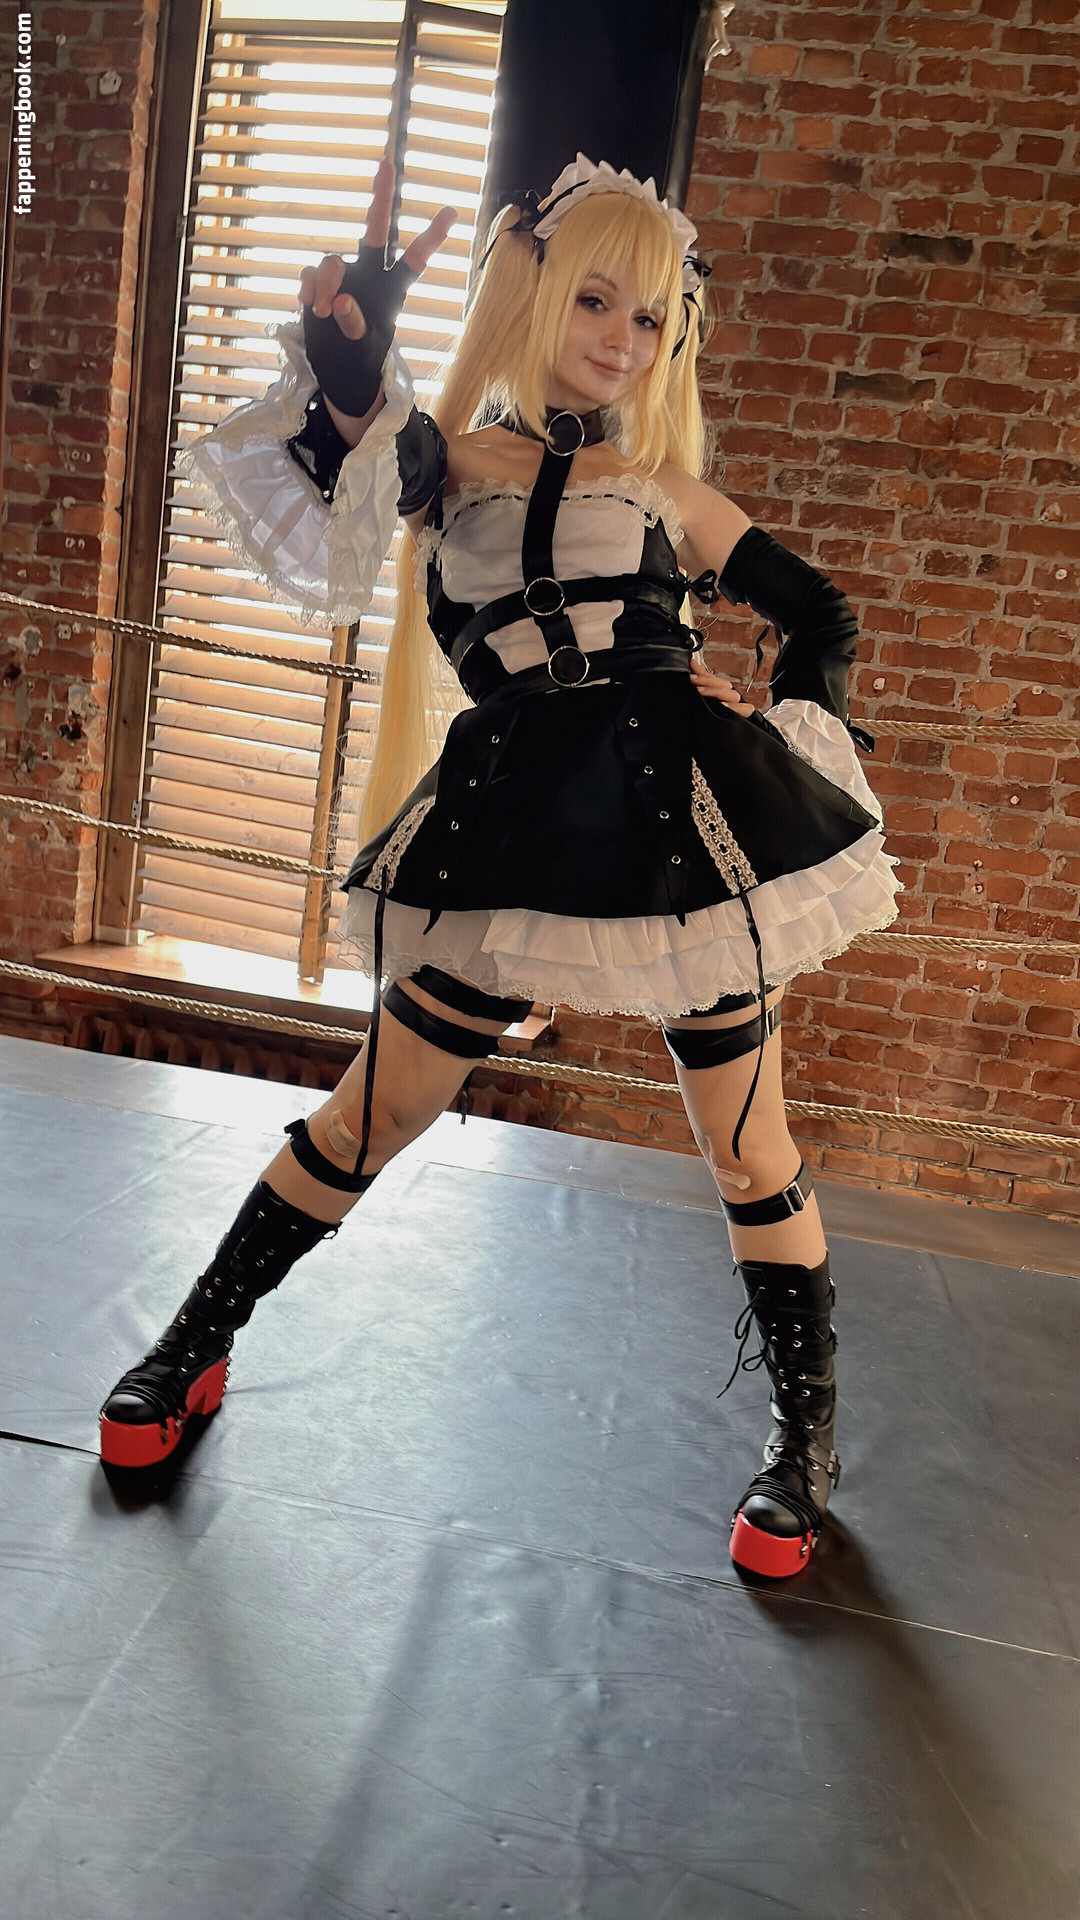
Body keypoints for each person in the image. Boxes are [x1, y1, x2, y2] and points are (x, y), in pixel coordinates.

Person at [99, 156, 899, 1579]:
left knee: (746, 1150)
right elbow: (360, 451)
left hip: (683, 832)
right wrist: (352, 362)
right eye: (594, 300)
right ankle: (189, 1348)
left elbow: (820, 612)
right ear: (534, 294)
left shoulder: (663, 487)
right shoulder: (446, 466)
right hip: (507, 831)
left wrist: (794, 727)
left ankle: (804, 1446)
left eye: (649, 318)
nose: (621, 338)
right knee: (369, 1115)